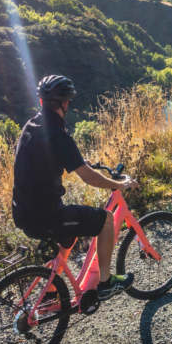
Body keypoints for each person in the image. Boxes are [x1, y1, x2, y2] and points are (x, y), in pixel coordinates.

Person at [12, 75, 137, 299]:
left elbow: (45, 159)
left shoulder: (31, 125)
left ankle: (51, 289)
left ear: (41, 102)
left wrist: (78, 162)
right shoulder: (59, 135)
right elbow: (90, 178)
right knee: (105, 220)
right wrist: (118, 183)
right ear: (65, 103)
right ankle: (106, 283)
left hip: (22, 212)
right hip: (45, 216)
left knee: (69, 235)